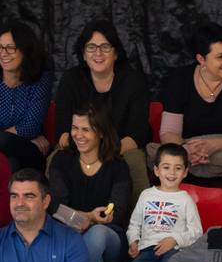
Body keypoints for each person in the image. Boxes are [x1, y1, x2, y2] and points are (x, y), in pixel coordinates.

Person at [52, 20, 152, 198]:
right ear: (83, 54)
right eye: (91, 47)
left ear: (115, 53)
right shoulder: (71, 79)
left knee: (135, 160)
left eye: (105, 47)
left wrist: (103, 154)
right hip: (80, 146)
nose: (98, 53)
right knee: (56, 159)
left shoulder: (134, 81)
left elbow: (139, 132)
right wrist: (85, 152)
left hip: (121, 149)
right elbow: (62, 130)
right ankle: (59, 220)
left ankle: (137, 222)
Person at [154, 22, 222, 179]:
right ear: (201, 59)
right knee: (155, 152)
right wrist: (185, 150)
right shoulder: (179, 80)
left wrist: (214, 145)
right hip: (189, 154)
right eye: (220, 57)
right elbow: (169, 132)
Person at [46, 106, 131, 262]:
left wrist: (82, 219)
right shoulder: (62, 160)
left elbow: (116, 213)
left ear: (101, 132)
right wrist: (89, 216)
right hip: (68, 234)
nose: (78, 135)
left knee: (97, 234)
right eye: (74, 128)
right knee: (91, 259)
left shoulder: (118, 167)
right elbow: (55, 207)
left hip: (109, 239)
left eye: (86, 129)